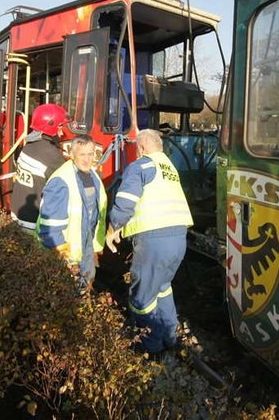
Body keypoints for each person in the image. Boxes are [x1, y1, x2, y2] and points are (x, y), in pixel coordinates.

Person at [105, 129, 192, 355]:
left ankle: (149, 349)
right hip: (179, 238)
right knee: (162, 287)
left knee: (142, 296)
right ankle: (170, 337)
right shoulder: (170, 167)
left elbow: (125, 201)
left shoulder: (141, 165)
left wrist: (114, 226)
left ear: (141, 148)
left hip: (154, 240)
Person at [36, 135, 107, 289]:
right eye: (82, 154)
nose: (87, 159)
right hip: (69, 256)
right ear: (72, 154)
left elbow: (95, 215)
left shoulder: (93, 175)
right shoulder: (61, 181)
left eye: (90, 154)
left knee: (85, 289)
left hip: (85, 250)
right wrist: (62, 257)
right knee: (67, 295)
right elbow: (50, 226)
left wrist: (95, 246)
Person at [10, 103, 68, 231]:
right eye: (60, 127)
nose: (62, 132)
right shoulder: (50, 154)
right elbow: (68, 182)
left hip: (17, 213)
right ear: (51, 127)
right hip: (33, 221)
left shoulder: (29, 146)